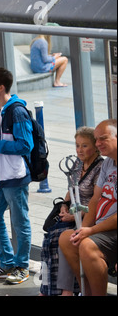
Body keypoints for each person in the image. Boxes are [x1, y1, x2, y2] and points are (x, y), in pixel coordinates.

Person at [0, 67, 33, 284]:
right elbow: (0, 137)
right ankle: (7, 262)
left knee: (20, 222)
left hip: (14, 177)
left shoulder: (17, 111)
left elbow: (25, 145)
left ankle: (22, 266)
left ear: (1, 87)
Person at [39, 127, 103, 296]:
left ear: (95, 147)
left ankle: (66, 291)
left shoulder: (100, 167)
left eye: (84, 146)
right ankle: (48, 289)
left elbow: (97, 202)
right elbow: (71, 189)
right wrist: (64, 205)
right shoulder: (77, 163)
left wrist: (76, 213)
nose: (79, 150)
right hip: (73, 214)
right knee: (49, 239)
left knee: (61, 239)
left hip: (89, 217)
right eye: (77, 145)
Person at [59, 119, 117, 296]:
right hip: (101, 227)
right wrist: (84, 229)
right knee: (67, 239)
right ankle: (87, 292)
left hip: (112, 230)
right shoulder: (108, 163)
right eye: (97, 139)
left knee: (86, 245)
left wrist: (90, 231)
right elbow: (95, 200)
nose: (98, 143)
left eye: (103, 139)